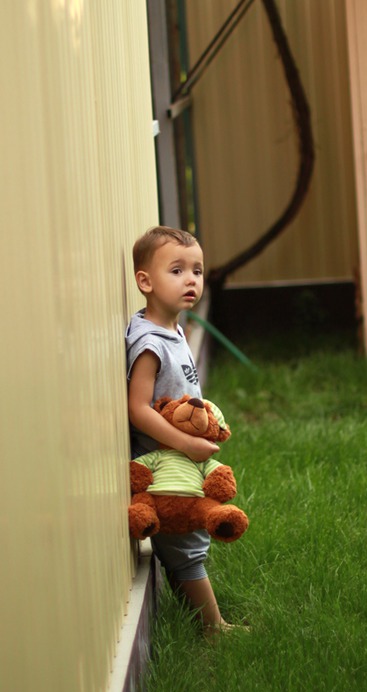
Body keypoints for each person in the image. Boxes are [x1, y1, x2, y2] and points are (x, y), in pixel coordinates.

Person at [126, 226, 234, 636]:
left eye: (198, 270)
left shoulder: (173, 330)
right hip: (164, 467)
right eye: (177, 270)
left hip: (178, 460)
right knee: (188, 547)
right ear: (145, 281)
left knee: (183, 544)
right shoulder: (150, 344)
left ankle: (194, 617)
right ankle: (213, 627)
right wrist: (188, 443)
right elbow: (137, 409)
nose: (191, 279)